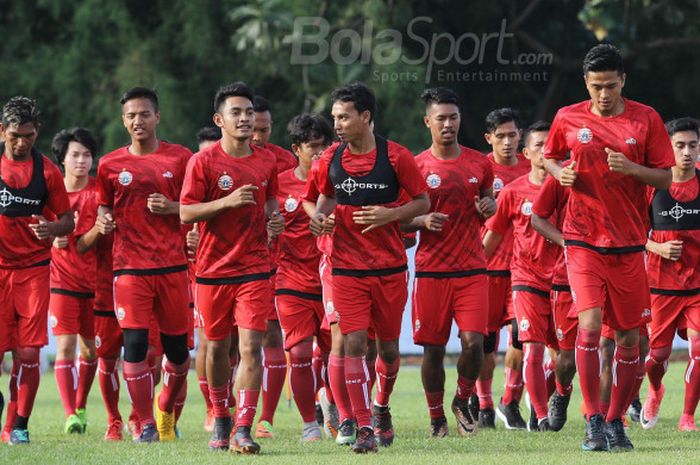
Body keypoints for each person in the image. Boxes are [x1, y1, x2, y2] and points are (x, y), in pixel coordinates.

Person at [543, 43, 674, 451]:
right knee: (590, 325)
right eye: (596, 86)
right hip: (582, 240)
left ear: (623, 81)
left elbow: (667, 180)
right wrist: (558, 172)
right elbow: (550, 156)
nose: (603, 94)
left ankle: (616, 421)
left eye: (611, 86)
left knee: (631, 339)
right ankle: (592, 419)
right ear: (586, 82)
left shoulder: (646, 118)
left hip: (630, 244)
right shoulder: (567, 117)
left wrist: (632, 168)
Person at [309, 81, 430, 453]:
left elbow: (423, 202)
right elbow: (319, 200)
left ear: (365, 116)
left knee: (389, 351)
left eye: (344, 117)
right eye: (335, 118)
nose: (338, 124)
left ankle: (380, 407)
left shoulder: (396, 157)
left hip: (390, 268)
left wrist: (390, 214)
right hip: (345, 267)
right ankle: (363, 427)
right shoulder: (329, 159)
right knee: (354, 343)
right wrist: (319, 219)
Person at [180, 81, 284, 454]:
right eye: (236, 112)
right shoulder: (202, 163)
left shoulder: (266, 160)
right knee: (217, 350)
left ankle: (243, 427)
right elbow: (186, 210)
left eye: (248, 112)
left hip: (255, 269)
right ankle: (221, 415)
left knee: (251, 347)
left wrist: (275, 222)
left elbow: (271, 204)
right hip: (212, 270)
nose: (244, 118)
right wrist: (226, 203)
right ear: (219, 119)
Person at [96, 87, 192, 443]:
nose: (138, 121)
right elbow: (105, 207)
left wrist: (172, 208)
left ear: (157, 117)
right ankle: (146, 422)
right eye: (131, 115)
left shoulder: (181, 158)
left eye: (144, 114)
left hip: (171, 266)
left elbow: (197, 206)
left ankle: (165, 404)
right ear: (124, 121)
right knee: (134, 346)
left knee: (179, 354)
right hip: (129, 268)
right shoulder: (109, 164)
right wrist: (103, 220)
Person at [402, 87, 495, 437]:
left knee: (475, 342)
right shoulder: (415, 166)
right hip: (431, 271)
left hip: (472, 268)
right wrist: (421, 221)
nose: (448, 124)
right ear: (428, 121)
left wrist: (490, 206)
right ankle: (436, 416)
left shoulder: (479, 163)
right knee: (433, 350)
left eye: (453, 117)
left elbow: (489, 203)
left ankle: (463, 399)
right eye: (440, 118)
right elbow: (398, 218)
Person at [0, 96, 74, 445]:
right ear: (2, 131)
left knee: (28, 352)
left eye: (28, 135)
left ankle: (19, 425)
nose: (21, 142)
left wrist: (51, 230)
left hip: (32, 271)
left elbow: (67, 221)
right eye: (15, 134)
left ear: (37, 133)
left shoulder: (47, 172)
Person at [484, 121, 557, 432]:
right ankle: (537, 416)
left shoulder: (568, 188)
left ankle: (521, 397)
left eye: (549, 145)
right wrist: (473, 270)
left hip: (565, 282)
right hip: (525, 277)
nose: (545, 150)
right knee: (527, 344)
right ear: (528, 152)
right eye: (538, 145)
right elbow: (493, 236)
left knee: (566, 357)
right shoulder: (513, 192)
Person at [274, 113, 334, 441]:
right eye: (313, 147)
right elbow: (263, 228)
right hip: (291, 281)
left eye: (325, 147)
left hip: (334, 281)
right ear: (297, 149)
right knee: (297, 354)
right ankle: (310, 424)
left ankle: (334, 404)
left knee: (337, 354)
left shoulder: (339, 181)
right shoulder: (279, 184)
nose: (320, 154)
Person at [473, 108, 530, 430]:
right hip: (486, 268)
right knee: (486, 344)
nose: (507, 142)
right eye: (501, 136)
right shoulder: (479, 169)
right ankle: (483, 404)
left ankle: (510, 401)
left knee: (522, 339)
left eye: (512, 135)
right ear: (489, 138)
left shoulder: (530, 168)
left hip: (523, 271)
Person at [642, 117, 700, 432]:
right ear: (669, 147)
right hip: (661, 287)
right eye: (680, 145)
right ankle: (655, 390)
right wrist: (657, 248)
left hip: (697, 288)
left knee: (698, 350)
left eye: (693, 144)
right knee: (656, 356)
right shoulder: (652, 186)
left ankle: (687, 417)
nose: (687, 152)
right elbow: (634, 233)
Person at [48, 128, 100, 434]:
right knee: (65, 347)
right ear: (63, 160)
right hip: (62, 282)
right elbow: (31, 229)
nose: (82, 161)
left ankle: (81, 405)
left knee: (91, 351)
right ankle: (70, 415)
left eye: (86, 155)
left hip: (96, 284)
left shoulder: (99, 192)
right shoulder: (51, 193)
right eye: (75, 155)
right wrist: (50, 240)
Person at [250, 94, 295, 438]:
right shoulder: (221, 160)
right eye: (253, 129)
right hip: (247, 261)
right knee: (248, 340)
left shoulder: (283, 161)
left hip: (287, 262)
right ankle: (244, 412)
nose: (257, 136)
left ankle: (268, 418)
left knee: (277, 336)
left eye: (264, 129)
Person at [530, 165, 576, 433]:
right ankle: (562, 391)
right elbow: (537, 218)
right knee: (565, 358)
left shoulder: (622, 168)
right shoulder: (565, 175)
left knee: (609, 345)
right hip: (563, 278)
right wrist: (567, 243)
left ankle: (606, 418)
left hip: (613, 269)